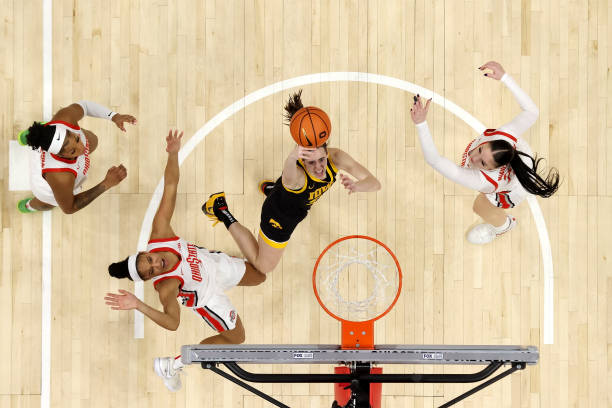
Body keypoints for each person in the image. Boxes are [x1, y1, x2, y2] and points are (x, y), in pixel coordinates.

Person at [104, 130, 266, 392]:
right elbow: (173, 323)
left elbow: (170, 186)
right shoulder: (166, 286)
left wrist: (173, 153)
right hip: (208, 296)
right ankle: (174, 364)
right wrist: (138, 304)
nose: (157, 266)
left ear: (148, 251)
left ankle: (221, 217)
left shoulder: (160, 234)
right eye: (151, 272)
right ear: (150, 279)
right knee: (238, 337)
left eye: (150, 260)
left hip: (213, 265)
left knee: (260, 276)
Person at [202, 90, 382, 274]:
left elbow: (375, 184)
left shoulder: (336, 157)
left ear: (326, 151)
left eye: (321, 159)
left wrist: (357, 186)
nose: (319, 167)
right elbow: (288, 171)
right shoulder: (296, 178)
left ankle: (273, 189)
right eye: (311, 163)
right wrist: (292, 156)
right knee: (263, 266)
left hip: (292, 198)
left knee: (287, 190)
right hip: (280, 216)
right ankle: (220, 209)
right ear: (302, 161)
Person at [410, 61, 559, 244]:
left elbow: (434, 160)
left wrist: (421, 124)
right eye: (480, 150)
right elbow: (532, 112)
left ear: (489, 169)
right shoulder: (504, 136)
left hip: (510, 189)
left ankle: (504, 226)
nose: (473, 156)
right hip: (518, 157)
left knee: (480, 206)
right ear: (492, 141)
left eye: (482, 163)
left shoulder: (482, 180)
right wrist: (505, 77)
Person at [17, 100, 136, 214]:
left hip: (56, 152)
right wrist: (106, 183)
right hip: (48, 187)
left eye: (77, 139)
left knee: (93, 140)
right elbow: (69, 208)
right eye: (73, 151)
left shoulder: (65, 118)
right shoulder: (60, 176)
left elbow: (85, 106)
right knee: (46, 204)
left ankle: (32, 135)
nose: (82, 148)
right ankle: (30, 206)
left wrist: (114, 116)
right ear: (59, 154)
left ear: (69, 129)